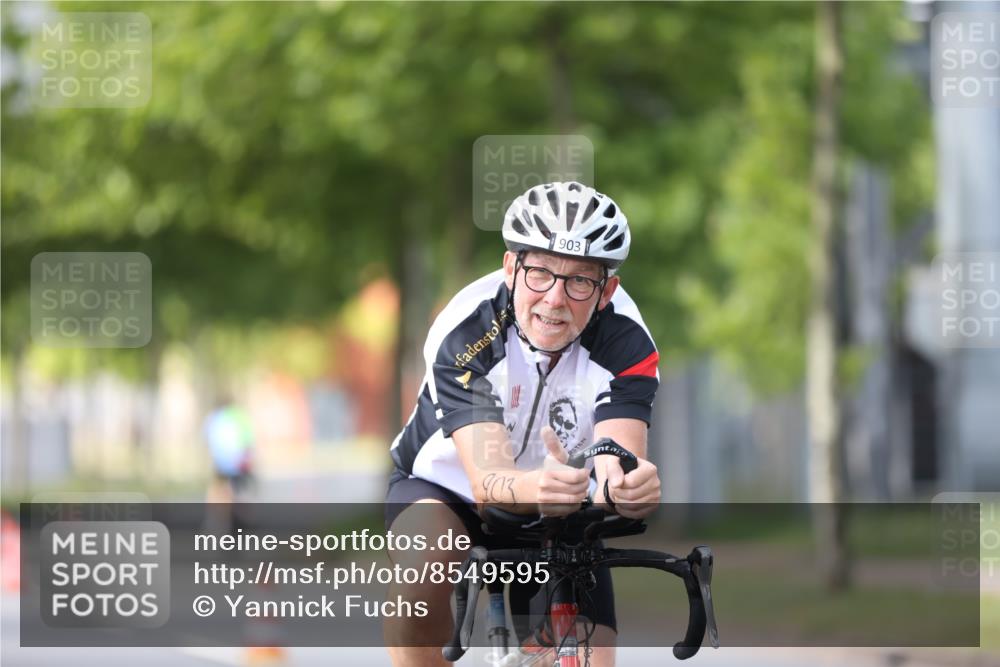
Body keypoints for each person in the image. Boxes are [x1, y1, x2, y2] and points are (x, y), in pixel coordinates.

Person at [384, 181, 662, 667]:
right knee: (425, 562)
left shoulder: (627, 340)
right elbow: (488, 480)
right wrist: (540, 483)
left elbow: (618, 458)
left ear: (606, 290)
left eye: (579, 281)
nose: (555, 299)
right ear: (511, 268)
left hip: (563, 502)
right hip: (448, 488)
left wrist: (628, 486)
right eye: (541, 273)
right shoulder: (466, 330)